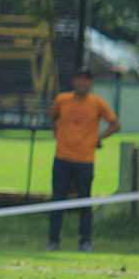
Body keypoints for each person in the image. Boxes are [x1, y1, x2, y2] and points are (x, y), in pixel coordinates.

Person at [45, 67, 121, 252]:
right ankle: (53, 240)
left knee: (85, 201)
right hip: (62, 156)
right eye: (79, 78)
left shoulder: (97, 103)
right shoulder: (62, 100)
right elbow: (53, 118)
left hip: (85, 158)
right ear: (73, 81)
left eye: (86, 79)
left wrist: (99, 138)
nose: (82, 82)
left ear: (91, 83)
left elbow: (115, 124)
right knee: (58, 199)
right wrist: (59, 135)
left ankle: (85, 241)